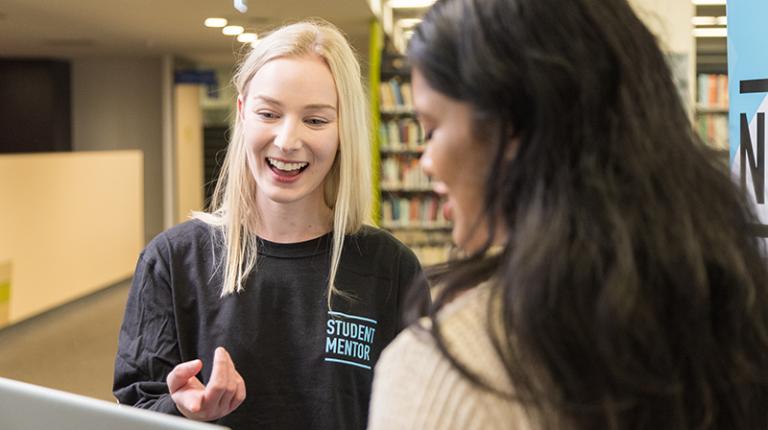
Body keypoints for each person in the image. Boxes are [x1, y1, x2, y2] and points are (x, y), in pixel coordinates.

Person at [367, 0, 768, 429]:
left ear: (511, 127)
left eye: (431, 129)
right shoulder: (730, 308)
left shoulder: (443, 371)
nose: (425, 161)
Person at [113, 20, 425, 430]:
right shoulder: (173, 261)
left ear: (343, 128)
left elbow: (419, 410)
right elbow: (133, 410)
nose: (286, 139)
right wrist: (184, 412)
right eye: (268, 113)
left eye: (315, 120)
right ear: (242, 113)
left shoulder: (391, 268)